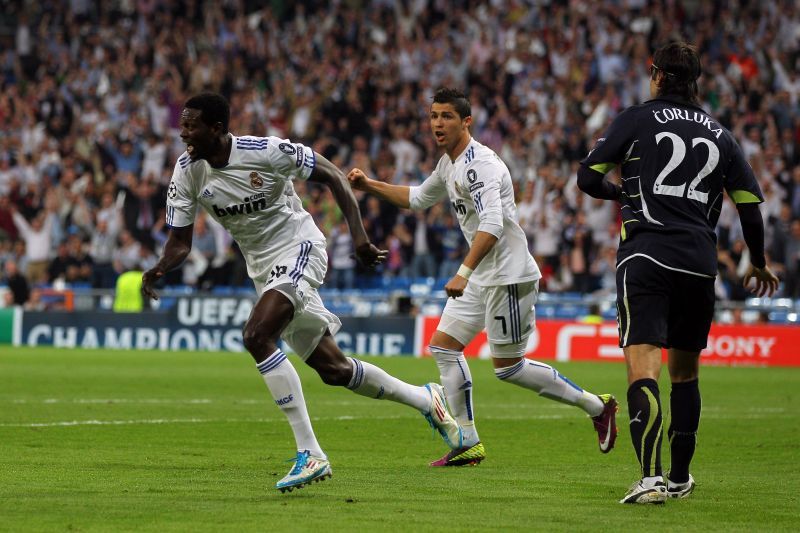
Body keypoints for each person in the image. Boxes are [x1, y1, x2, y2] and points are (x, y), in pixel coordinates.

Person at [141, 93, 462, 493]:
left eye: (191, 126)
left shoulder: (265, 152)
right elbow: (180, 241)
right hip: (264, 270)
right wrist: (159, 268)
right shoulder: (187, 171)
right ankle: (424, 398)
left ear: (217, 129)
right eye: (182, 125)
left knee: (256, 335)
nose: (183, 133)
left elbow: (332, 174)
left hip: (300, 248)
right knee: (335, 371)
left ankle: (310, 454)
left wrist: (359, 237)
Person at [348, 87, 618, 468]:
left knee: (509, 367)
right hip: (481, 275)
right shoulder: (449, 164)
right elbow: (418, 199)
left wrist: (462, 272)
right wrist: (368, 185)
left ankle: (597, 406)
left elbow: (491, 224)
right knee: (443, 346)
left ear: (466, 121)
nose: (437, 123)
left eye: (446, 117)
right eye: (433, 116)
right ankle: (468, 440)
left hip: (507, 275)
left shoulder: (481, 165)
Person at [577, 42, 780, 504]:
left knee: (642, 366)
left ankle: (650, 479)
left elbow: (587, 177)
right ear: (696, 83)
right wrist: (759, 261)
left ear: (657, 75)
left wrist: (623, 194)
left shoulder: (637, 117)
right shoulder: (722, 136)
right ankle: (681, 478)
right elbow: (750, 207)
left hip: (647, 253)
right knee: (685, 374)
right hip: (699, 263)